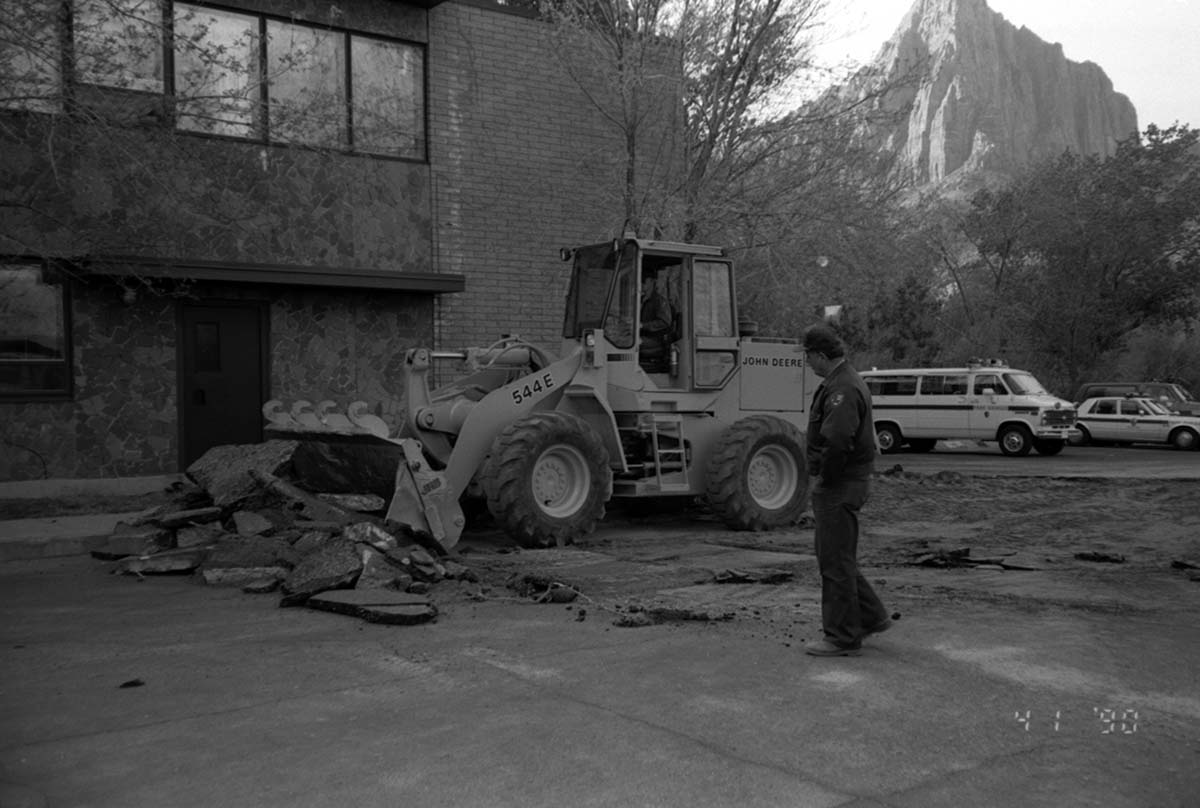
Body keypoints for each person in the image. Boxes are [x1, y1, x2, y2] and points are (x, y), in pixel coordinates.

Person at [801, 323, 892, 657]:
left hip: (840, 484)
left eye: (809, 356)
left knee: (834, 562)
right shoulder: (843, 381)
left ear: (821, 356)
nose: (807, 363)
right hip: (847, 481)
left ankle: (841, 637)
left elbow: (838, 440)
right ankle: (871, 616)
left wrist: (826, 477)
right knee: (839, 556)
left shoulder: (843, 388)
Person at [638, 271, 674, 372]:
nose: (641, 282)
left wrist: (642, 325)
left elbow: (665, 322)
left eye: (644, 279)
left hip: (656, 340)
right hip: (642, 336)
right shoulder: (639, 300)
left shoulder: (660, 301)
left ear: (652, 282)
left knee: (632, 343)